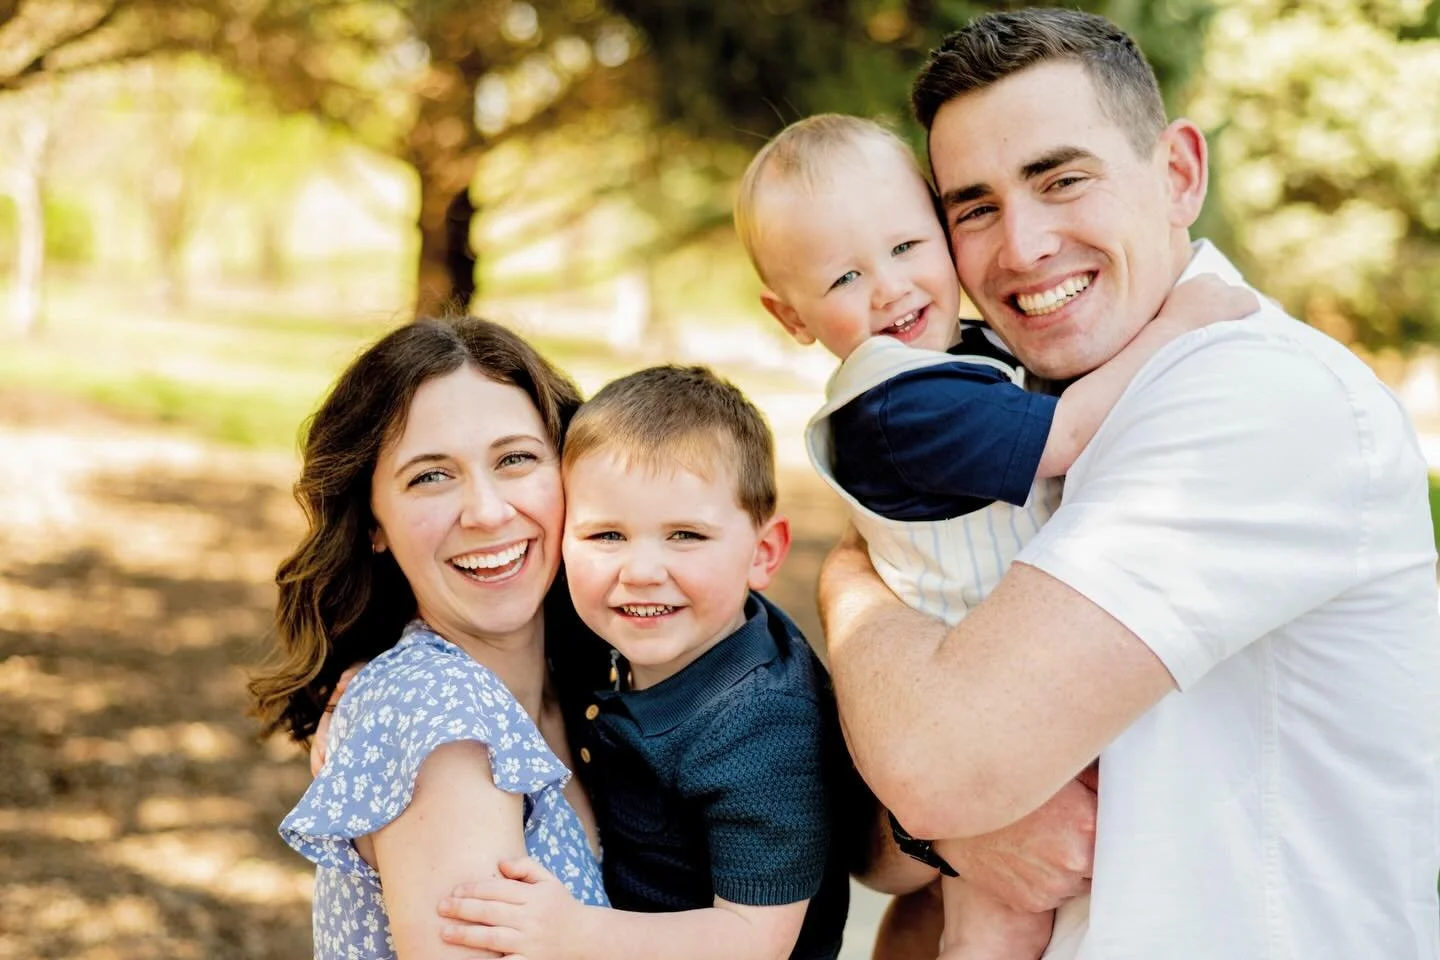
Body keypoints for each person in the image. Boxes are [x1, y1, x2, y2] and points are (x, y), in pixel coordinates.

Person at [818, 8, 1440, 960]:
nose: (1021, 248)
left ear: (1179, 175)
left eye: (1063, 180)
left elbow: (939, 759)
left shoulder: (1254, 397)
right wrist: (947, 828)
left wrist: (847, 585)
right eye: (974, 208)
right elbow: (880, 840)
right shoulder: (1002, 416)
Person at [733, 111, 1253, 960]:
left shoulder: (954, 358)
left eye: (908, 247)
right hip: (975, 695)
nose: (890, 288)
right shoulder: (895, 401)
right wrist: (1181, 321)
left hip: (1002, 674)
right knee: (995, 923)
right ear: (790, 317)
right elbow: (1069, 435)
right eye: (845, 278)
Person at [432, 364, 860, 960]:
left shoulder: (762, 725)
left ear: (762, 553)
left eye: (685, 535)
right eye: (607, 536)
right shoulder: (644, 624)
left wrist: (575, 934)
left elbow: (754, 939)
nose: (640, 571)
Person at [248, 315, 608, 959]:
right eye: (430, 475)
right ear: (373, 523)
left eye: (516, 459)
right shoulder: (440, 724)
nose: (489, 511)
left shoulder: (591, 678)